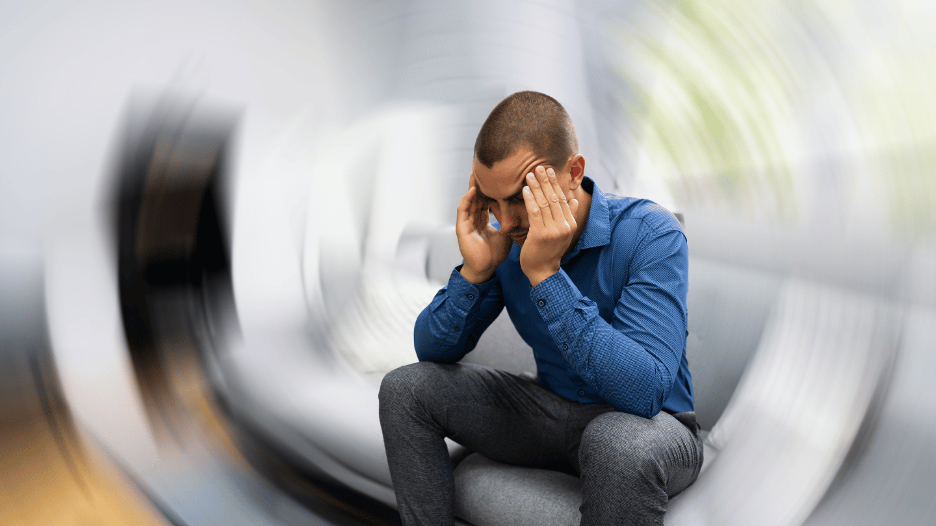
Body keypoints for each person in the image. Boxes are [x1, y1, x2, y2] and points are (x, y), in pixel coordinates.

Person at [379, 91, 702, 526]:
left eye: (519, 197)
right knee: (405, 390)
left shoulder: (650, 234)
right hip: (549, 410)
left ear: (574, 172)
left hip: (650, 427)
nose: (506, 221)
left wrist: (547, 274)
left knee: (615, 443)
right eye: (492, 202)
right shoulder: (506, 240)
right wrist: (475, 273)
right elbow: (432, 351)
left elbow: (644, 392)